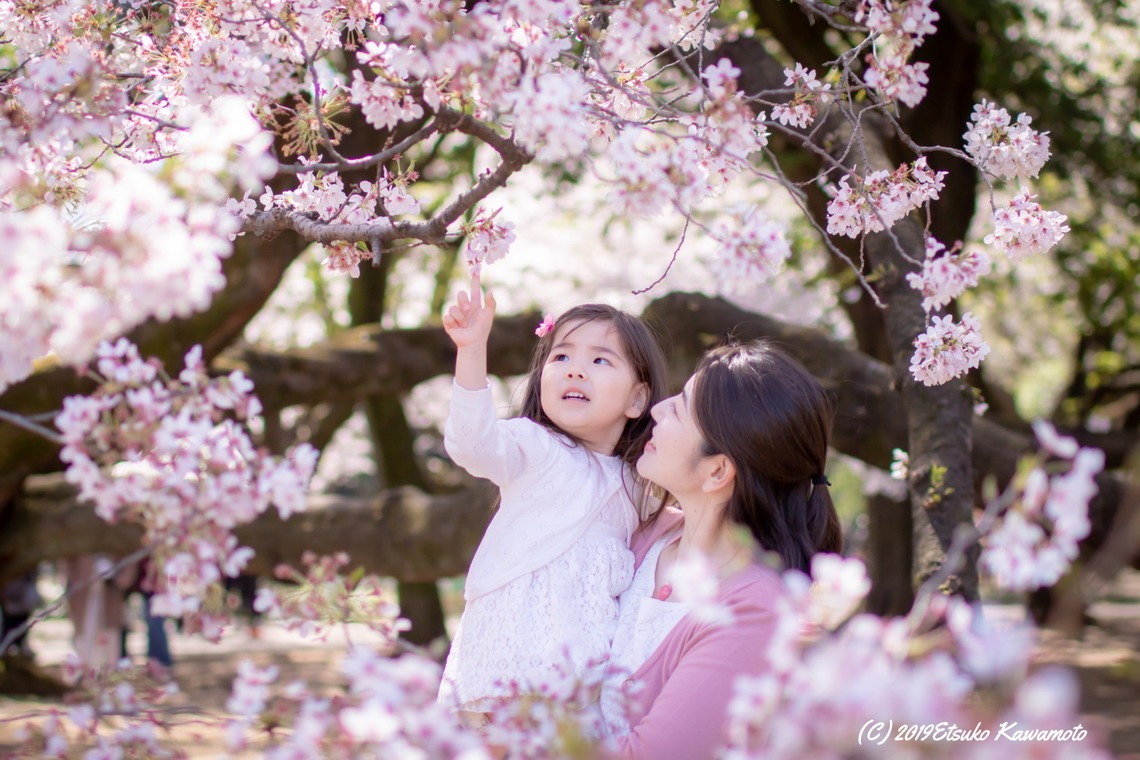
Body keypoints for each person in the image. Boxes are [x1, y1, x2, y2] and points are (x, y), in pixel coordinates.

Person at [437, 274, 669, 729]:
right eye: (560, 355)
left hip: (586, 675)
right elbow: (471, 443)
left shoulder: (640, 482)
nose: (574, 369)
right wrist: (471, 350)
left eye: (601, 360)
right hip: (513, 657)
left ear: (638, 398)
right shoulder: (534, 447)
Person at [600, 340, 843, 758]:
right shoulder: (640, 536)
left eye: (678, 409)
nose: (657, 409)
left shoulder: (752, 611)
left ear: (717, 471)